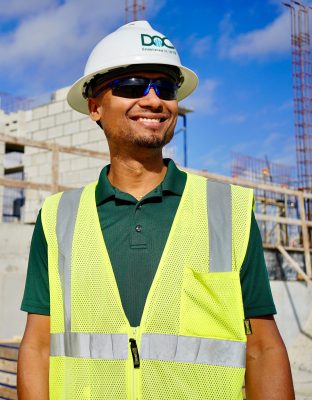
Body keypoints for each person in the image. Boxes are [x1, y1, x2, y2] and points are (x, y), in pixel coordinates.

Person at [17, 21, 294, 400]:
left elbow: (263, 348)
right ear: (95, 107)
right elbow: (37, 347)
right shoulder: (58, 218)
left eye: (165, 87)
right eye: (132, 86)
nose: (153, 100)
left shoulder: (227, 211)